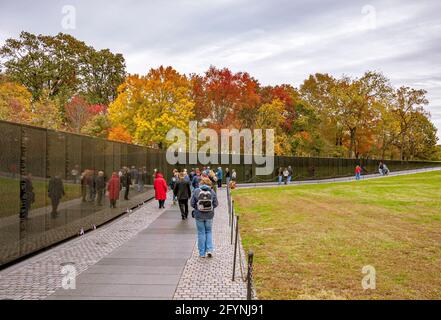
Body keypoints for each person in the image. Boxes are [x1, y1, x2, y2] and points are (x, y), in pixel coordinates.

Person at [191, 177, 218, 258]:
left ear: (201, 183)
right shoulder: (212, 191)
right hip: (209, 215)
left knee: (201, 233)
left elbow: (192, 203)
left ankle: (202, 253)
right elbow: (216, 204)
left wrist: (197, 207)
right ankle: (209, 250)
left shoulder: (196, 191)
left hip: (199, 215)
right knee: (209, 232)